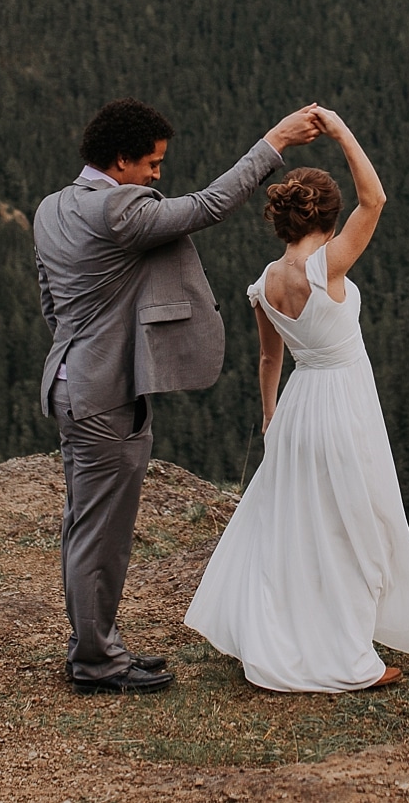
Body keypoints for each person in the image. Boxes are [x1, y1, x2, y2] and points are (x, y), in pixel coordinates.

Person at [34, 97, 323, 693]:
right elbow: (209, 205)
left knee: (83, 523)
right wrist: (276, 142)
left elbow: (50, 300)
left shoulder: (50, 208)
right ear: (120, 161)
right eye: (152, 164)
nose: (158, 177)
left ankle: (95, 644)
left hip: (67, 382)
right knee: (101, 532)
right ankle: (95, 661)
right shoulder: (120, 210)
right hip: (104, 394)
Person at [184, 105, 409, 692]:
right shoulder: (329, 267)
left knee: (298, 527)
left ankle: (286, 631)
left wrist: (271, 414)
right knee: (353, 526)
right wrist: (344, 129)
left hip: (298, 408)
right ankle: (345, 653)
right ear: (327, 214)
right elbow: (375, 200)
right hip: (345, 405)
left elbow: (270, 359)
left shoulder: (264, 284)